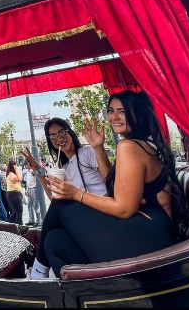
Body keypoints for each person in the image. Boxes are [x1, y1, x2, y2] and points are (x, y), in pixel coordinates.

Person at [36, 91, 188, 277]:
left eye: (122, 111)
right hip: (142, 229)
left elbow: (124, 209)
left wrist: (75, 194)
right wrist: (98, 147)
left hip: (151, 236)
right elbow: (113, 185)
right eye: (110, 110)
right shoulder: (138, 144)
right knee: (54, 241)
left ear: (138, 113)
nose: (114, 117)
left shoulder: (129, 147)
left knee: (61, 203)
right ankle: (91, 290)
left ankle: (37, 269)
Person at [23, 116, 111, 277]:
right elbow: (54, 198)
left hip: (102, 213)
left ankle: (37, 268)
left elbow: (110, 180)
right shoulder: (65, 166)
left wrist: (98, 147)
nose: (59, 138)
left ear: (70, 132)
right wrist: (38, 171)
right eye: (53, 136)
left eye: (62, 132)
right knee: (52, 238)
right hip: (84, 217)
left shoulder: (86, 152)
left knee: (58, 206)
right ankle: (53, 279)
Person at [6, 160, 25, 225]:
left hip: (13, 194)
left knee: (16, 212)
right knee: (19, 211)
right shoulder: (11, 174)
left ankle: (7, 225)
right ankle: (20, 226)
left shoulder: (11, 174)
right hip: (13, 194)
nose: (16, 166)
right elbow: (19, 179)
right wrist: (16, 170)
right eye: (15, 165)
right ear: (13, 166)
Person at [23, 161, 42, 226]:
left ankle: (38, 221)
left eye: (26, 165)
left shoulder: (32, 171)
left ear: (28, 164)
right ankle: (31, 220)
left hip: (33, 188)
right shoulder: (27, 172)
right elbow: (27, 182)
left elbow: (38, 173)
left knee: (36, 205)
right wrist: (26, 189)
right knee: (30, 205)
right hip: (29, 189)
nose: (25, 166)